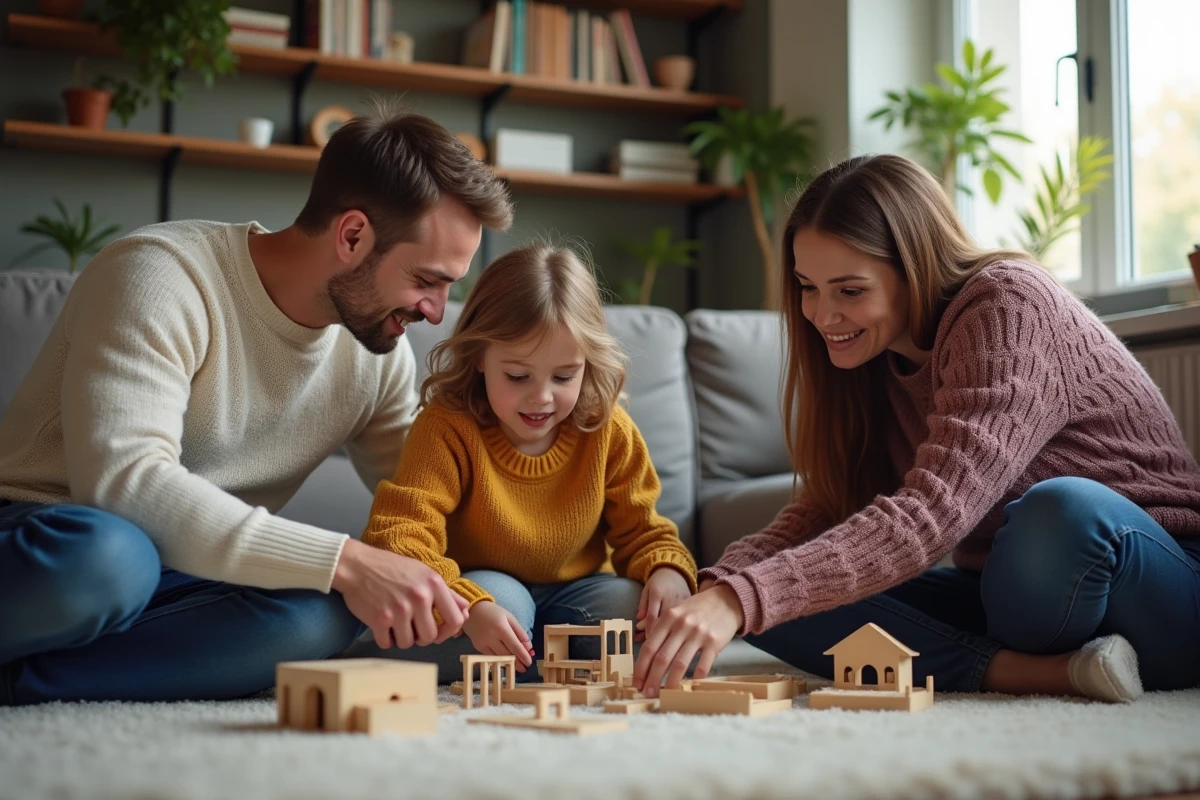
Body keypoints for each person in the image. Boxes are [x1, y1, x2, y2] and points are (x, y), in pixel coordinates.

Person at [633, 153, 1200, 703]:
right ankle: (1041, 673)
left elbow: (931, 512)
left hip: (1151, 581)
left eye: (850, 291)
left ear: (915, 267)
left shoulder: (1009, 304)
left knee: (1060, 512)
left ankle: (1014, 659)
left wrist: (739, 599)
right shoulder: (872, 358)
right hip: (1007, 594)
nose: (823, 316)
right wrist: (721, 585)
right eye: (808, 287)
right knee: (777, 598)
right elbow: (829, 508)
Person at [0, 99, 514, 705]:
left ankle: (25, 681)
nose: (436, 310)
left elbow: (441, 500)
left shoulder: (375, 355)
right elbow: (125, 486)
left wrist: (595, 549)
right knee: (112, 558)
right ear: (352, 235)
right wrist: (348, 562)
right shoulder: (161, 277)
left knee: (321, 615)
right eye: (426, 280)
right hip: (53, 539)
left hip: (189, 575)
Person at [345, 243, 697, 682]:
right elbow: (399, 534)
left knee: (658, 629)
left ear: (587, 364)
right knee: (505, 607)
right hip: (483, 590)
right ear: (479, 358)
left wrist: (666, 569)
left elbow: (644, 529)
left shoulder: (609, 430)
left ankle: (534, 657)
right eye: (517, 376)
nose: (541, 397)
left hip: (581, 590)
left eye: (564, 376)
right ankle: (529, 654)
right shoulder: (446, 427)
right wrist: (469, 605)